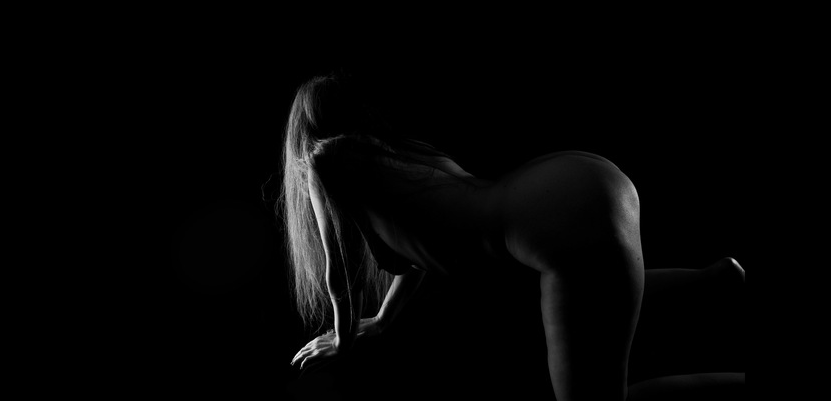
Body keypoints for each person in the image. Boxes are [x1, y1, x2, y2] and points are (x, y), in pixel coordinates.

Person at [279, 74, 745, 401]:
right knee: (597, 296)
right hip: (573, 179)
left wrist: (342, 340)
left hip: (551, 217)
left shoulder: (324, 160)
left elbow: (337, 273)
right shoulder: (399, 167)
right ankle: (714, 281)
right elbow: (420, 258)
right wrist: (381, 320)